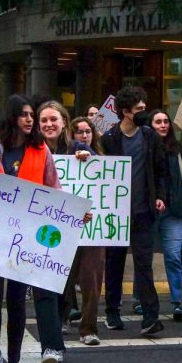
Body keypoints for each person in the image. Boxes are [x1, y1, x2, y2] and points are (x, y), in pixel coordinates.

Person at [0, 95, 66, 363]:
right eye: (24, 114)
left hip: (24, 237)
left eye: (31, 115)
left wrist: (73, 214)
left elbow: (54, 188)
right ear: (11, 116)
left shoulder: (41, 151)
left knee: (15, 298)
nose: (29, 119)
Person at [100, 86, 168, 336]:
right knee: (115, 262)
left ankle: (151, 316)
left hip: (143, 211)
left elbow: (160, 171)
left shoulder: (151, 137)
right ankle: (112, 311)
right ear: (125, 112)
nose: (144, 112)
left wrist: (160, 196)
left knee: (144, 264)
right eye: (139, 109)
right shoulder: (109, 139)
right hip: (116, 213)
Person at [62, 115, 107, 344]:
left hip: (93, 230)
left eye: (88, 131)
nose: (84, 135)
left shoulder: (102, 162)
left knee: (92, 278)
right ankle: (61, 318)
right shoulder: (62, 161)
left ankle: (88, 328)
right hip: (67, 228)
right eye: (79, 132)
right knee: (62, 277)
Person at [149, 109, 182, 321]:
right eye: (158, 122)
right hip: (149, 211)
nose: (163, 125)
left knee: (174, 256)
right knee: (144, 258)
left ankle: (176, 301)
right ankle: (142, 299)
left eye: (166, 121)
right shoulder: (144, 148)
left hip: (173, 211)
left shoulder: (178, 150)